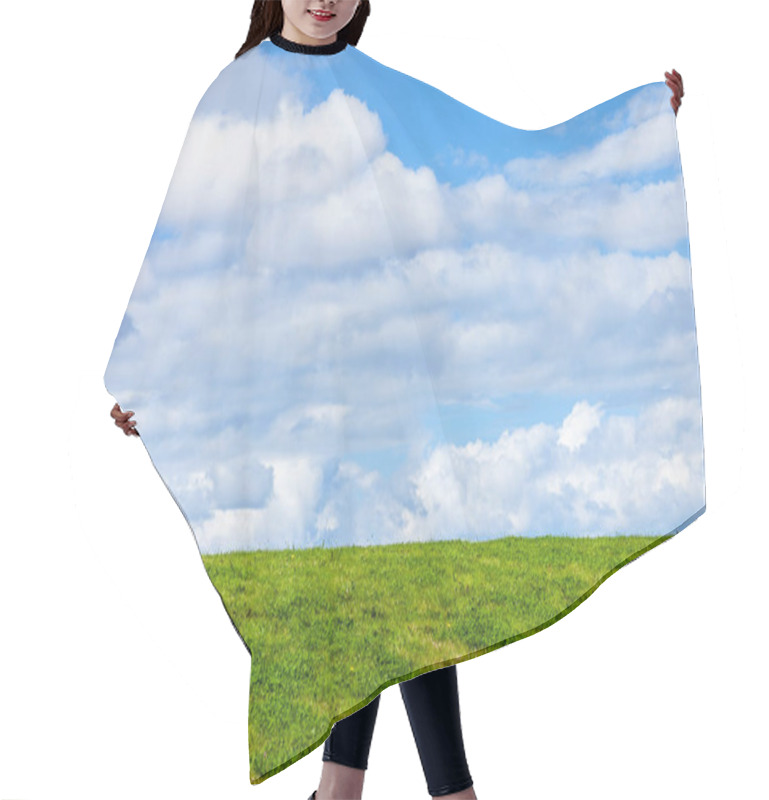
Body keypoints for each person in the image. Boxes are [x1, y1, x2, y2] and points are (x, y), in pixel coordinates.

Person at [110, 2, 685, 798]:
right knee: (367, 585)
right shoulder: (235, 96)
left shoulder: (376, 88)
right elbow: (191, 243)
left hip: (386, 386)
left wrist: (633, 133)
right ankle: (430, 792)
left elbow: (484, 167)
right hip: (295, 399)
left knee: (403, 577)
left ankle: (349, 790)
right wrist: (148, 373)